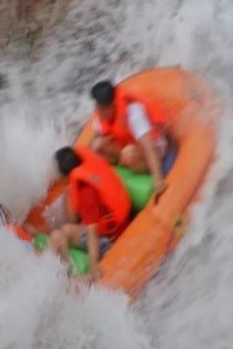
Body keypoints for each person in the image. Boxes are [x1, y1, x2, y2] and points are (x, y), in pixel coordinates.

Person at [46, 145, 131, 281]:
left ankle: (68, 276)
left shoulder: (86, 192)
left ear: (64, 174)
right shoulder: (88, 170)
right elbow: (75, 217)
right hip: (112, 221)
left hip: (109, 239)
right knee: (65, 229)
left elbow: (92, 231)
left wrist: (93, 268)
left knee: (61, 233)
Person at [89, 80, 168, 196]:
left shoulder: (133, 113)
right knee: (100, 149)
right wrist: (96, 144)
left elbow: (149, 147)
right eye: (97, 107)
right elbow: (91, 145)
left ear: (112, 105)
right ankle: (125, 171)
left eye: (102, 109)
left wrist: (158, 181)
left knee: (128, 153)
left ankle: (148, 172)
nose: (99, 112)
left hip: (155, 149)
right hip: (129, 148)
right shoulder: (100, 118)